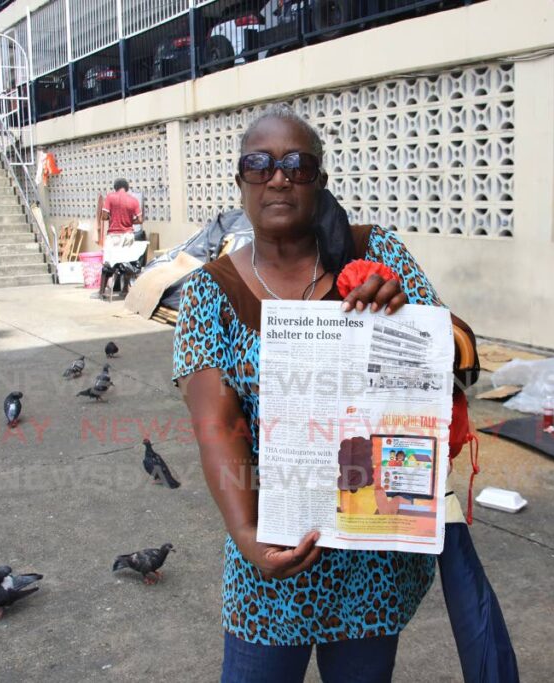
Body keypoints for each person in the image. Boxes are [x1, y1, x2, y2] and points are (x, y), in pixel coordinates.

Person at [173, 104, 445, 682]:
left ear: (318, 181)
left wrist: (405, 314)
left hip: (373, 550)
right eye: (260, 163)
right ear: (241, 179)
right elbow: (216, 426)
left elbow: (459, 359)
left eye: (297, 165)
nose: (278, 177)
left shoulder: (381, 254)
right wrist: (247, 536)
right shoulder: (208, 294)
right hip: (272, 549)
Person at [100, 178, 141, 248]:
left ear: (115, 187)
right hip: (128, 236)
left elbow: (104, 216)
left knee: (112, 258)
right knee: (127, 258)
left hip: (113, 236)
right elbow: (140, 220)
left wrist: (112, 218)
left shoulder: (110, 197)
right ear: (127, 188)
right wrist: (129, 221)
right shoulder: (134, 200)